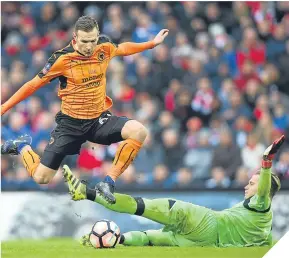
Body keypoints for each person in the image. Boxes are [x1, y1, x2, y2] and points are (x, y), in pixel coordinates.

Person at [1, 16, 169, 204]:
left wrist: (152, 44)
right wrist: (3, 108)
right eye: (84, 41)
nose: (89, 46)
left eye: (92, 40)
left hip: (98, 120)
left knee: (139, 131)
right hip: (70, 125)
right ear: (74, 39)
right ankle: (21, 146)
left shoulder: (103, 47)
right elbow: (32, 85)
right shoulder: (61, 59)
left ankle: (108, 182)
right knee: (42, 178)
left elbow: (122, 48)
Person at [62, 135, 284, 247]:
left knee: (143, 206)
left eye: (252, 184)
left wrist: (266, 161)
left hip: (205, 222)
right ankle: (110, 240)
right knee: (151, 238)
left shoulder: (262, 203)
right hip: (204, 243)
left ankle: (85, 192)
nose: (247, 185)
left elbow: (263, 188)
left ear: (264, 190)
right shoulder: (264, 230)